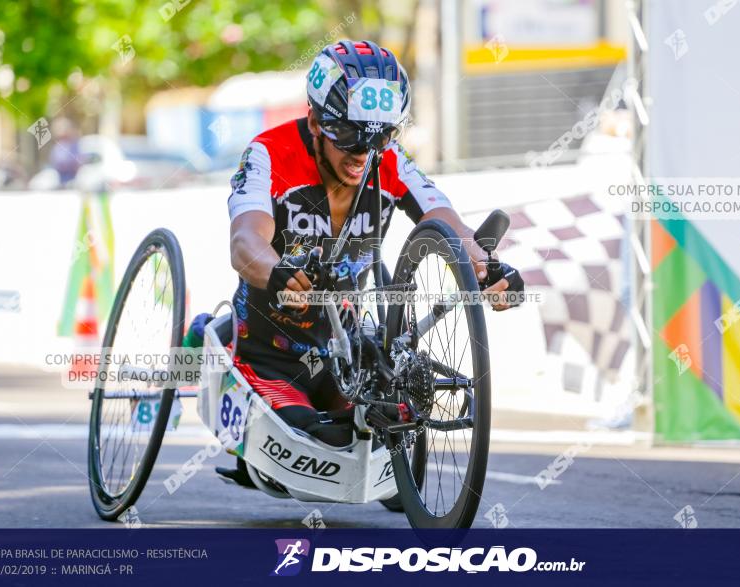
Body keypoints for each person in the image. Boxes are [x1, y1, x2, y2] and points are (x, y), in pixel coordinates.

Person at [223, 40, 524, 456]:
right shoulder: (268, 153)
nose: (363, 153)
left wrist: (484, 264)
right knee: (315, 437)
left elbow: (445, 222)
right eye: (348, 136)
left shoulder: (389, 159)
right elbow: (245, 242)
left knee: (379, 433)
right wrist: (277, 272)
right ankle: (211, 337)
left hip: (343, 354)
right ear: (314, 122)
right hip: (271, 354)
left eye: (379, 137)